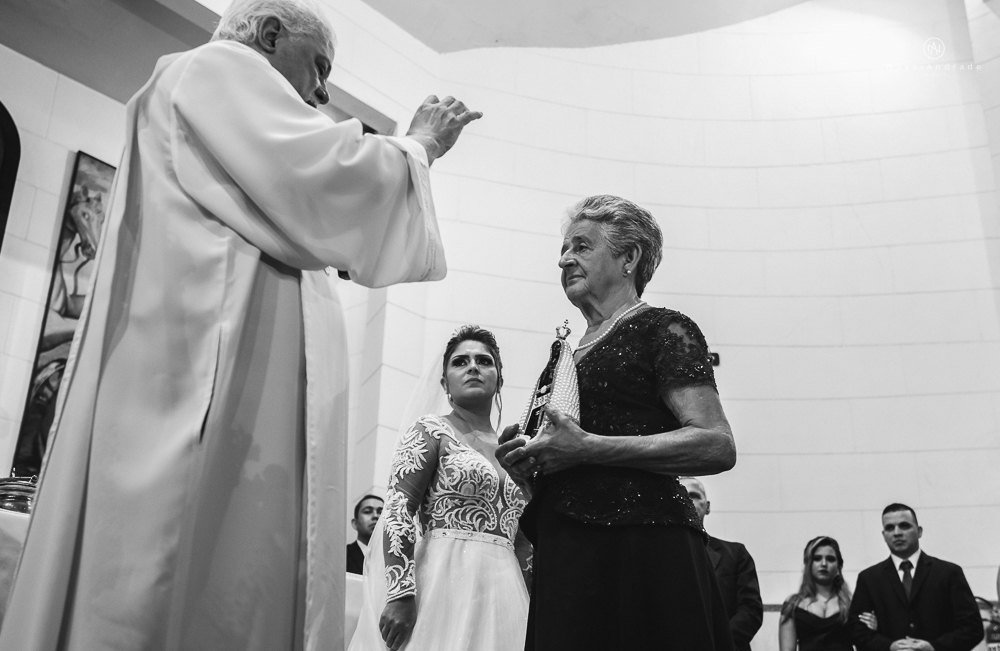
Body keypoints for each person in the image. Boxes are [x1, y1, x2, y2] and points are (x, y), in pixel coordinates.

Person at [0, 0, 482, 648]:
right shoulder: (215, 71)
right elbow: (323, 176)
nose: (318, 93)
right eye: (317, 68)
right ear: (269, 34)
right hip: (208, 391)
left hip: (226, 388)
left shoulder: (222, 118)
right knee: (184, 577)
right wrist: (416, 145)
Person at [497, 194, 737, 651]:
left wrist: (589, 447)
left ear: (629, 257)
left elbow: (717, 444)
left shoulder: (664, 328)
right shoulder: (566, 352)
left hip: (644, 546)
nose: (565, 258)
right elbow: (568, 459)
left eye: (582, 246)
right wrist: (529, 466)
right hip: (568, 551)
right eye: (564, 249)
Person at [349, 326, 531, 651]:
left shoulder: (515, 450)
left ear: (499, 379)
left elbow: (524, 539)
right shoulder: (431, 431)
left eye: (484, 361)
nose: (473, 366)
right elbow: (398, 510)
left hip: (507, 594)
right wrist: (400, 593)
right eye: (460, 362)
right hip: (442, 583)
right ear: (445, 382)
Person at [848, 504, 983, 651]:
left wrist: (934, 647)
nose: (897, 533)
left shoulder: (948, 573)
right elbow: (856, 631)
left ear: (919, 532)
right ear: (884, 536)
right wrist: (889, 647)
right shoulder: (869, 579)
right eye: (890, 528)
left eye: (904, 526)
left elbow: (972, 628)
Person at [680, 477, 763, 651]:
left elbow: (751, 609)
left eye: (694, 496)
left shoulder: (735, 554)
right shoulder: (662, 558)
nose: (687, 501)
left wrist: (719, 642)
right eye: (681, 496)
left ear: (707, 506)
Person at [779, 536, 862, 651]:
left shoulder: (851, 605)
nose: (823, 564)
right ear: (808, 564)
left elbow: (864, 643)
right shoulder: (793, 605)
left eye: (830, 559)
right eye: (817, 558)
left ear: (839, 566)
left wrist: (874, 627)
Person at [348, 495, 384, 575]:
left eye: (380, 513)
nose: (375, 516)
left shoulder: (395, 559)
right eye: (367, 512)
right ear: (355, 523)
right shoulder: (343, 556)